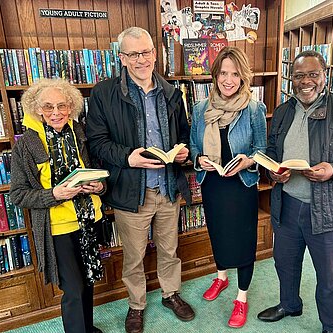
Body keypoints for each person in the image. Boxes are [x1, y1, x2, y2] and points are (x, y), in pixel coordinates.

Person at [257, 50, 333, 333]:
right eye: (299, 76)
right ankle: (290, 304)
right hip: (286, 205)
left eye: (313, 74)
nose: (305, 82)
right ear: (292, 79)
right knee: (285, 264)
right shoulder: (284, 111)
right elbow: (272, 152)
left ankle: (331, 327)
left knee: (329, 276)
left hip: (328, 211)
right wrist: (273, 171)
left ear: (325, 75)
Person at [85, 27, 194, 333]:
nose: (141, 59)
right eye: (133, 54)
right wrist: (127, 157)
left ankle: (171, 294)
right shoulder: (104, 93)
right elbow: (96, 142)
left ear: (155, 54)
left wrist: (184, 151)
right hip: (131, 191)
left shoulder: (172, 92)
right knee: (133, 257)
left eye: (145, 52)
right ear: (122, 58)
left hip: (168, 187)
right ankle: (136, 305)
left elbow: (183, 134)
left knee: (169, 250)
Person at [10, 78, 105, 333]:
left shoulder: (80, 132)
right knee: (73, 289)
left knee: (87, 281)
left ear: (71, 107)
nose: (56, 113)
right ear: (37, 109)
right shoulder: (27, 144)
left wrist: (99, 186)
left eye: (62, 106)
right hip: (57, 227)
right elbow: (18, 194)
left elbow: (95, 171)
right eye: (48, 107)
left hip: (87, 219)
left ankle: (86, 328)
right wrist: (54, 194)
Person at [190, 46, 267, 328]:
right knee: (218, 234)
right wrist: (199, 158)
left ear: (243, 77)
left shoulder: (254, 109)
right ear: (215, 75)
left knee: (244, 241)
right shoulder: (200, 109)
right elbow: (194, 145)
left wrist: (248, 161)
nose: (228, 80)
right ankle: (221, 278)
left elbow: (261, 148)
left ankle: (241, 298)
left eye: (235, 74)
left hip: (241, 186)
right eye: (223, 72)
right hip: (213, 185)